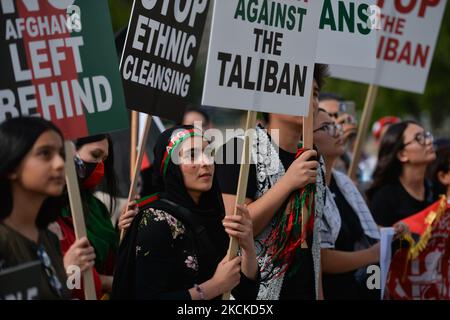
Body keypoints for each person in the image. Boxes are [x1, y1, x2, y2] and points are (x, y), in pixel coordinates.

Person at [216, 64, 329, 300]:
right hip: (256, 294)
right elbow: (236, 230)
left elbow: (313, 236)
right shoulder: (240, 148)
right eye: (299, 91)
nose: (310, 101)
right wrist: (287, 183)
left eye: (315, 93)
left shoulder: (313, 157)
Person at [112, 126, 259, 299]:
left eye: (209, 153)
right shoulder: (156, 220)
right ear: (172, 167)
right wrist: (214, 286)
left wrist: (248, 246)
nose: (206, 162)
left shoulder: (213, 215)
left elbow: (246, 292)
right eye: (192, 155)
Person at [0, 117, 95, 300]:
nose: (60, 164)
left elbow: (64, 290)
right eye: (45, 153)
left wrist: (72, 270)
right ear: (12, 166)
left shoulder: (48, 237)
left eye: (61, 154)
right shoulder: (4, 242)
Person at [313, 109, 382, 299]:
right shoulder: (307, 188)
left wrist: (393, 232)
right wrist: (372, 254)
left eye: (336, 125)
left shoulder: (343, 183)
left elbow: (366, 230)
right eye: (326, 127)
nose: (337, 131)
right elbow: (320, 257)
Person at [54, 134, 122, 298]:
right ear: (70, 152)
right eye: (95, 155)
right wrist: (106, 282)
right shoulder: (48, 214)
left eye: (104, 159)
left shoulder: (97, 207)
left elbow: (113, 262)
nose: (100, 165)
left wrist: (124, 233)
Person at [367, 121, 437, 226]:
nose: (428, 142)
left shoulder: (436, 190)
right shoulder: (384, 199)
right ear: (402, 155)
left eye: (427, 135)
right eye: (420, 138)